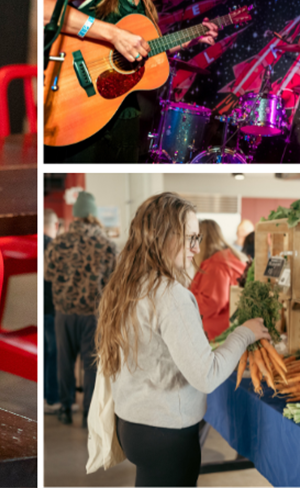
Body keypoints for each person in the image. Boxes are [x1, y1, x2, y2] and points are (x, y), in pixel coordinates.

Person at [95, 193, 269, 486]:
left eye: (198, 238)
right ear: (163, 237)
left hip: (133, 424)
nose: (196, 249)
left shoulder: (130, 282)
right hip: (165, 432)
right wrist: (245, 333)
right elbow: (207, 375)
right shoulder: (170, 294)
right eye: (190, 238)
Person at [43, 0, 219, 163]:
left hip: (123, 114)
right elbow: (44, 7)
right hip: (78, 101)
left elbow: (147, 48)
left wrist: (193, 39)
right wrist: (113, 34)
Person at [45, 192, 116, 426]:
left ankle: (65, 409)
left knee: (65, 363)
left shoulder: (59, 242)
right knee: (91, 367)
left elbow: (48, 274)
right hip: (93, 315)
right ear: (93, 215)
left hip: (64, 313)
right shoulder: (106, 244)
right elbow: (112, 283)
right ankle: (88, 414)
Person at [189, 220, 246, 340]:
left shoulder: (215, 265)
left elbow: (212, 302)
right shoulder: (228, 257)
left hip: (219, 336)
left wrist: (185, 302)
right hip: (229, 333)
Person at [43, 209, 61, 415]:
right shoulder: (55, 248)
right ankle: (53, 398)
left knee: (49, 353)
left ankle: (48, 396)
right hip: (53, 309)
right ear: (56, 226)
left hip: (44, 309)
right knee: (54, 354)